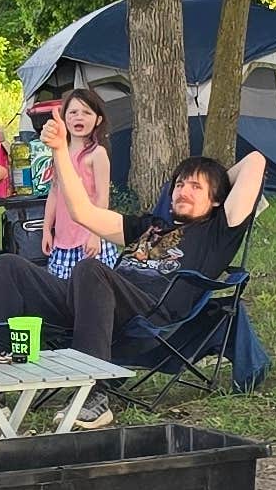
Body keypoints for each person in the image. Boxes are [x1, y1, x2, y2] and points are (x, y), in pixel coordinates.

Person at [0, 84, 124, 354]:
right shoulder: (60, 152)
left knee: (88, 297)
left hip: (88, 241)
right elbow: (54, 191)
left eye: (86, 113)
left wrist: (96, 234)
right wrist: (46, 229)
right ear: (64, 118)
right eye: (73, 112)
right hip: (63, 242)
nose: (79, 118)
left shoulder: (97, 154)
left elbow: (102, 197)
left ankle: (92, 347)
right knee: (61, 298)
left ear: (98, 119)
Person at [92, 144, 265, 358]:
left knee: (92, 269)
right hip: (103, 308)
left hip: (148, 319)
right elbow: (82, 214)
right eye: (180, 185)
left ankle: (94, 379)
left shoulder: (216, 233)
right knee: (40, 277)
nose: (183, 192)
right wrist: (60, 150)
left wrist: (216, 184)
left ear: (217, 199)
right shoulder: (150, 225)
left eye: (195, 187)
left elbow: (255, 160)